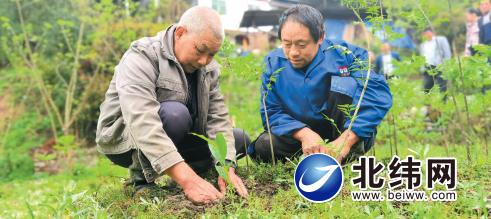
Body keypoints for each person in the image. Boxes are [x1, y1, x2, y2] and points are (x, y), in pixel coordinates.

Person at [95, 6, 249, 204]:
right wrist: (188, 181)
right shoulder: (142, 56)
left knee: (238, 139)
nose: (205, 60)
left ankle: (194, 170)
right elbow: (141, 120)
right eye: (200, 50)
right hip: (125, 139)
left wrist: (226, 166)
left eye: (212, 54)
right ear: (180, 33)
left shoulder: (209, 68)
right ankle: (139, 181)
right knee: (174, 115)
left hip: (178, 136)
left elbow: (217, 117)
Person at [237, 5, 392, 164]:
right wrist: (304, 134)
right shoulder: (273, 63)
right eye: (287, 44)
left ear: (320, 37)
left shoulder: (345, 54)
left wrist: (346, 139)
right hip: (297, 137)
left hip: (341, 135)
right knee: (264, 145)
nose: (293, 52)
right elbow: (272, 111)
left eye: (301, 44)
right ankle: (306, 159)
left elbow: (376, 93)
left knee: (348, 84)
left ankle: (342, 154)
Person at [419, 28, 451, 94]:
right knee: (426, 86)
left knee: (442, 85)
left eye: (428, 33)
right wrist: (422, 68)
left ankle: (443, 102)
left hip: (440, 66)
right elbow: (421, 58)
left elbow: (447, 53)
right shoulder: (422, 45)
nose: (427, 35)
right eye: (425, 34)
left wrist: (446, 65)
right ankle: (427, 102)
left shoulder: (440, 40)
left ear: (432, 33)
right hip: (428, 67)